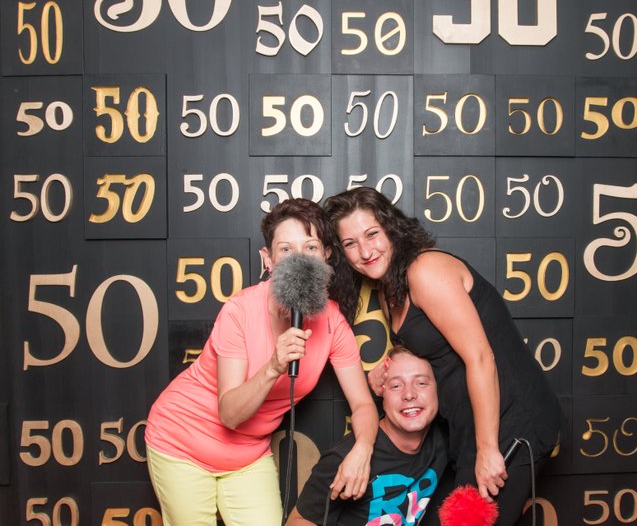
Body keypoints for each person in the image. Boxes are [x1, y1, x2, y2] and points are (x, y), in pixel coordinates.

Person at [324, 187, 562, 526]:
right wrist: (388, 365)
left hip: (510, 424)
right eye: (350, 243)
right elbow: (434, 347)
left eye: (372, 234)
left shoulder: (424, 270)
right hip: (468, 427)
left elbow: (481, 357)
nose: (365, 250)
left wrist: (488, 449)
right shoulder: (391, 288)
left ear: (391, 228)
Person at [144, 198, 379, 526]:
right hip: (181, 440)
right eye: (286, 249)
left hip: (248, 454)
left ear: (327, 255)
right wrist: (273, 367)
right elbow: (229, 414)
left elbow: (363, 405)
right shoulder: (239, 311)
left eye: (310, 247)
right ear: (268, 259)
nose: (299, 258)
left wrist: (363, 449)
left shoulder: (332, 323)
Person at [287, 345, 448, 526]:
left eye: (421, 383)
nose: (409, 394)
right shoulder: (347, 458)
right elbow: (297, 521)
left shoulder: (447, 437)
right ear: (381, 393)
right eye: (396, 386)